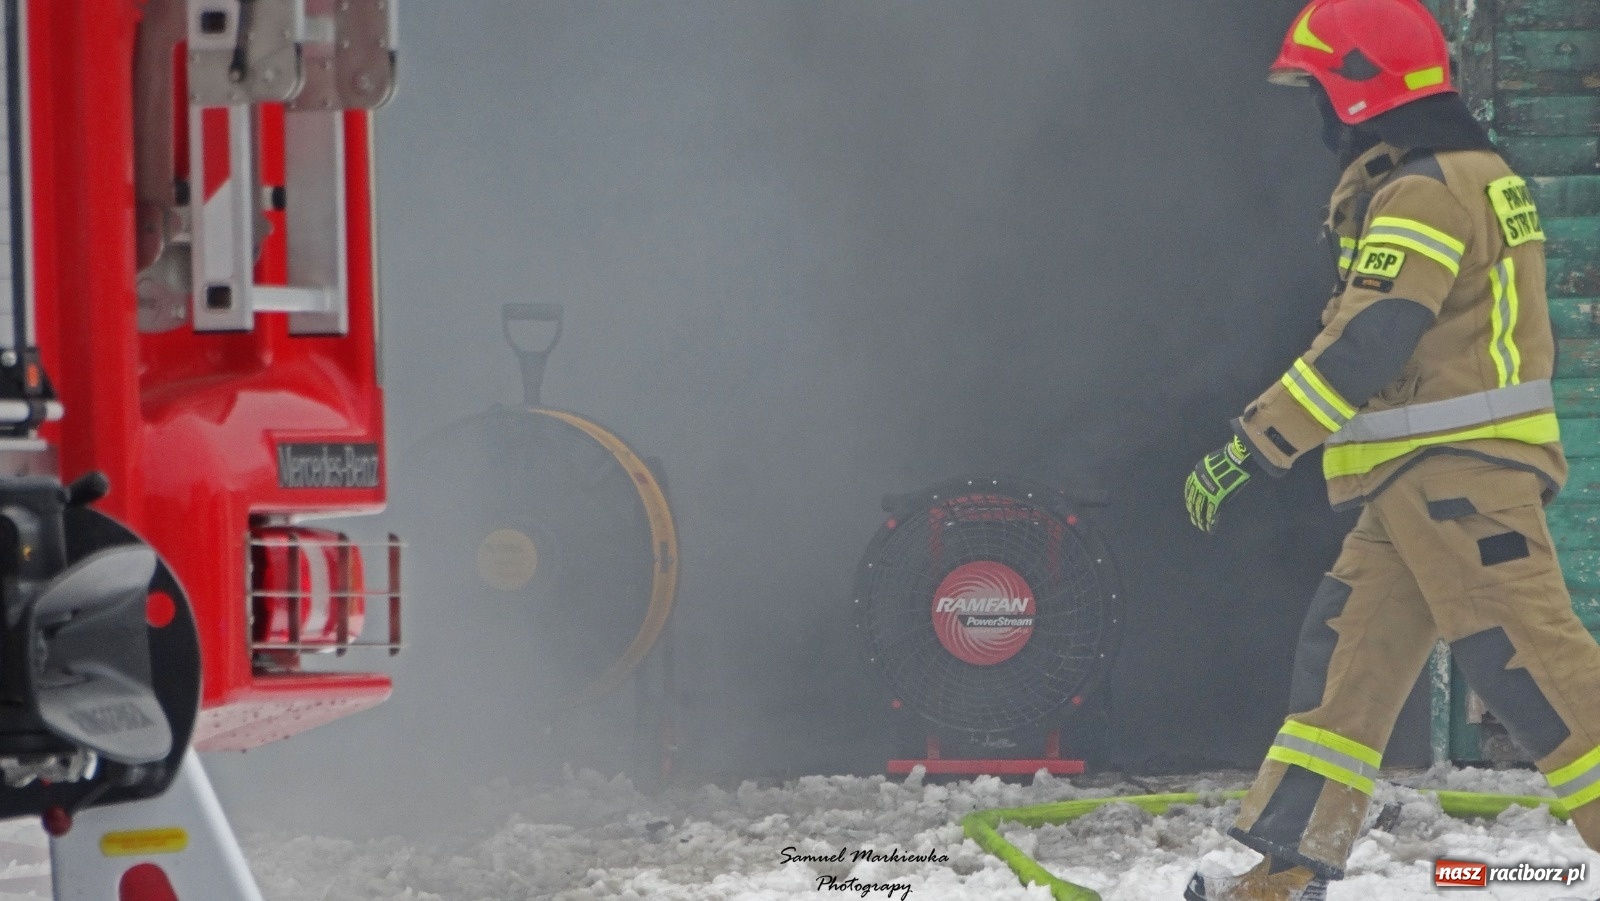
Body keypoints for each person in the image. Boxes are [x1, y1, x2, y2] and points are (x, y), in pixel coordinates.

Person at [1180, 0, 1600, 898]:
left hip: (1459, 478)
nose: (1318, 114)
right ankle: (1289, 870)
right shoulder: (1458, 173)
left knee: (1535, 669)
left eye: (1322, 90)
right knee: (1346, 665)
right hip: (1417, 483)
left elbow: (1374, 337)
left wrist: (1254, 444)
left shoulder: (1423, 188)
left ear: (1363, 91)